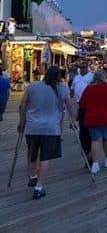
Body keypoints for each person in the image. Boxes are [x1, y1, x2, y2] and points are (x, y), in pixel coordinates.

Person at [17, 66, 74, 199]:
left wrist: (21, 121)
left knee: (32, 153)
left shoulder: (33, 86)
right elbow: (69, 105)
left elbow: (23, 104)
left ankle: (33, 177)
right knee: (45, 157)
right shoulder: (62, 88)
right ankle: (39, 186)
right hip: (51, 128)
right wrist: (75, 117)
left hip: (32, 126)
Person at [79, 69, 107, 174]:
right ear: (104, 77)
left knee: (95, 140)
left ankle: (95, 164)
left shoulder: (89, 88)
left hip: (92, 117)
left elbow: (82, 104)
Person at [70, 61, 94, 160]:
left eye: (84, 67)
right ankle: (86, 151)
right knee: (82, 127)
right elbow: (72, 89)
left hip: (89, 105)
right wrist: (69, 100)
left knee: (89, 129)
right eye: (80, 67)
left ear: (87, 67)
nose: (82, 69)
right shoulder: (76, 77)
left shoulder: (91, 76)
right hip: (78, 104)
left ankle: (91, 153)